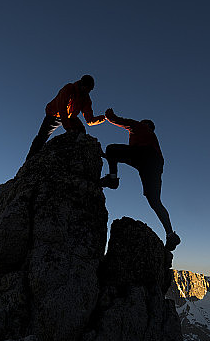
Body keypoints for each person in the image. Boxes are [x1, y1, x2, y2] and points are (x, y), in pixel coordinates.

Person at [100, 108, 181, 251]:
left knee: (112, 149)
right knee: (155, 201)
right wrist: (106, 155)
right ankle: (170, 234)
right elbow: (126, 156)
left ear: (146, 124)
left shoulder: (140, 127)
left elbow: (119, 121)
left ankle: (112, 180)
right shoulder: (150, 139)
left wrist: (108, 115)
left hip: (144, 156)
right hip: (153, 164)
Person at [27, 74, 106, 159]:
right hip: (55, 114)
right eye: (88, 88)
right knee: (42, 137)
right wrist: (68, 128)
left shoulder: (86, 98)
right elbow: (62, 109)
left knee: (81, 130)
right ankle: (30, 158)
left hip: (70, 117)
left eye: (90, 90)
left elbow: (89, 120)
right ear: (82, 84)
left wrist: (104, 118)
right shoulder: (69, 88)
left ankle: (76, 154)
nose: (88, 91)